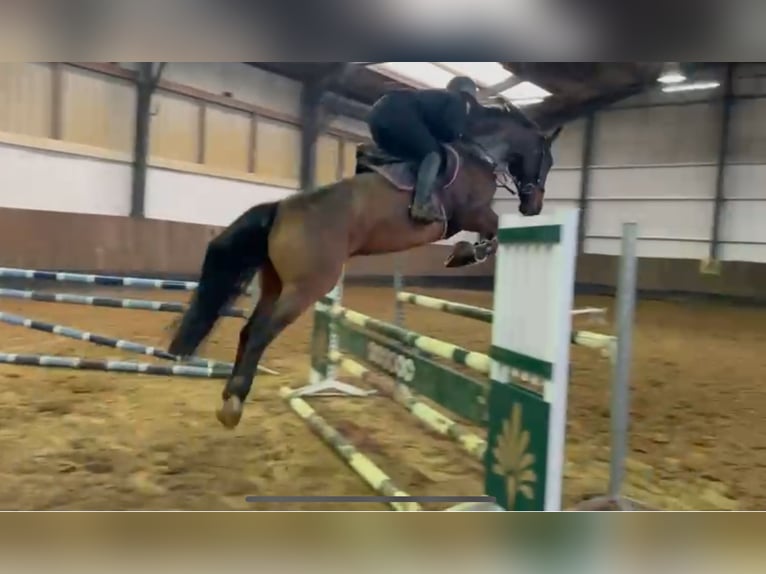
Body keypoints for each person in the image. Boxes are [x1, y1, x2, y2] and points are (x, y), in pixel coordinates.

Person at [367, 75, 482, 223]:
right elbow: (450, 132)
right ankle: (420, 205)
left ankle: (377, 155)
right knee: (433, 155)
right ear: (469, 93)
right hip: (398, 113)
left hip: (377, 116)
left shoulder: (437, 98)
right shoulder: (457, 100)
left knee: (415, 154)